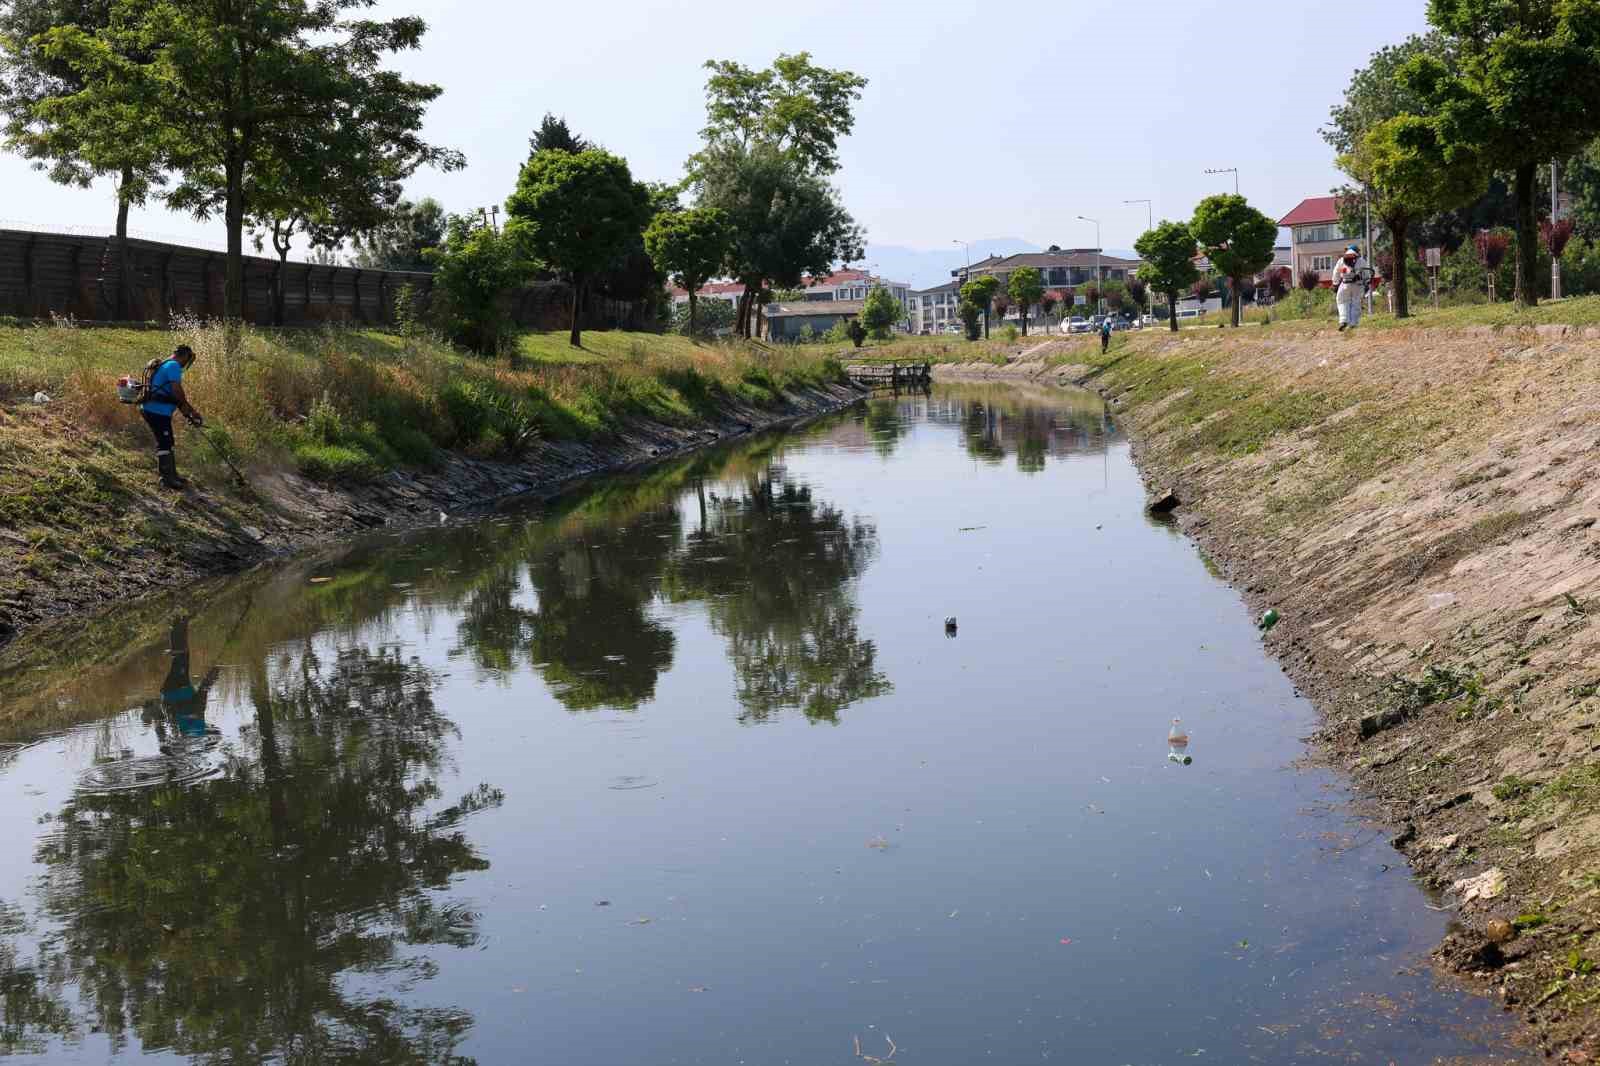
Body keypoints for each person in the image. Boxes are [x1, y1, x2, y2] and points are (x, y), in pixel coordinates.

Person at [141, 344, 205, 489]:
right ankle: (166, 479)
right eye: (187, 361)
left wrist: (187, 413)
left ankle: (172, 475)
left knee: (168, 441)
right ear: (184, 356)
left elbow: (172, 396)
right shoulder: (174, 366)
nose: (186, 365)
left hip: (154, 409)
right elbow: (177, 392)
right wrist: (192, 412)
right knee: (164, 442)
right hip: (156, 411)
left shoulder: (166, 364)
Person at [1331, 246, 1368, 332]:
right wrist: (1366, 283)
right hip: (1357, 285)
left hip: (1345, 284)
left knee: (1342, 302)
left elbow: (1336, 272)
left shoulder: (1341, 260)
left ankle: (1343, 320)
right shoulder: (1361, 261)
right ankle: (1353, 323)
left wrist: (1335, 284)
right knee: (1356, 303)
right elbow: (1366, 273)